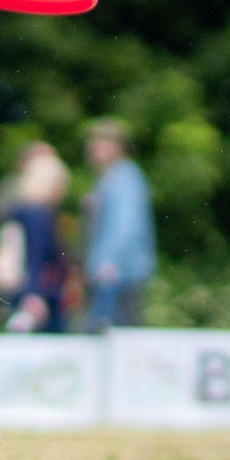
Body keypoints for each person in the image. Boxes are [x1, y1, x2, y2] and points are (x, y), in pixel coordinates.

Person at [80, 118, 155, 331]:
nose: (92, 149)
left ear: (116, 146)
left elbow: (126, 224)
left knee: (115, 334)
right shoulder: (111, 178)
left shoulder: (123, 177)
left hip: (116, 274)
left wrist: (111, 262)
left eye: (99, 143)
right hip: (114, 272)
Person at [0, 142, 71, 332]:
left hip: (18, 288)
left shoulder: (18, 212)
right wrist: (33, 295)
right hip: (40, 295)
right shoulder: (38, 216)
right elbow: (35, 257)